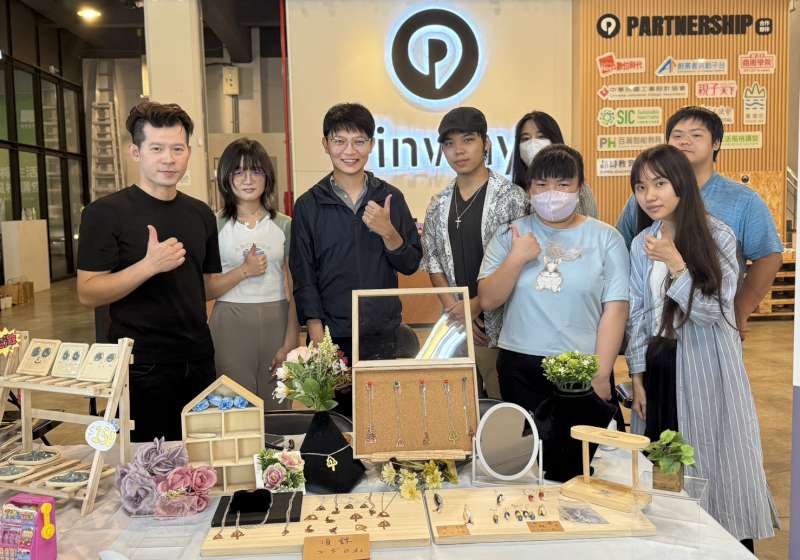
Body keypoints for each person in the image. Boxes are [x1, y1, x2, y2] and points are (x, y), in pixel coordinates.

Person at [626, 144, 777, 552]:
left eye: (659, 183)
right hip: (659, 366)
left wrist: (676, 263)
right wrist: (636, 376)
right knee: (663, 468)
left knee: (715, 465)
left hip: (707, 364)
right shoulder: (642, 242)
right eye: (641, 187)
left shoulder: (718, 235)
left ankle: (726, 549)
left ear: (682, 184)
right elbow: (637, 313)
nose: (650, 195)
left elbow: (712, 311)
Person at [77, 101, 221, 441]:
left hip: (198, 361)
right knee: (143, 463)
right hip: (141, 366)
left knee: (200, 459)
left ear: (188, 153)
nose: (169, 159)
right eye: (157, 148)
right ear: (135, 151)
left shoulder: (201, 213)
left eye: (177, 149)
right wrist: (148, 266)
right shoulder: (104, 213)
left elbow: (204, 286)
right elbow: (87, 292)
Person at [289, 103, 422, 414]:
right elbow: (304, 275)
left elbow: (410, 263)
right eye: (340, 141)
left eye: (359, 141)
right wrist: (318, 339)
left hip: (383, 334)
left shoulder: (390, 198)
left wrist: (389, 232)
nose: (350, 151)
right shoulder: (309, 205)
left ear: (371, 145)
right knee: (337, 425)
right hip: (332, 337)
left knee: (386, 420)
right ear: (325, 144)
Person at [477, 145, 629, 414]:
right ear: (529, 189)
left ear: (580, 187)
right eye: (541, 184)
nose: (552, 193)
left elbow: (616, 310)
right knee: (527, 441)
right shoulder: (509, 233)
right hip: (520, 365)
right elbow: (488, 300)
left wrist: (601, 372)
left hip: (582, 364)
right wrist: (516, 258)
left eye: (563, 184)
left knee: (583, 441)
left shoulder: (607, 238)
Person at [617, 106, 783, 339]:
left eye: (696, 135)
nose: (684, 142)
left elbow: (769, 256)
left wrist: (739, 310)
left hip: (710, 331)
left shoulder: (742, 200)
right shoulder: (644, 200)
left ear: (716, 143)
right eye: (677, 135)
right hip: (656, 334)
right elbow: (624, 251)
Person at [421, 107, 527, 398]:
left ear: (486, 142)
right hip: (457, 326)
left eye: (467, 140)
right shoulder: (439, 203)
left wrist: (478, 305)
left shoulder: (512, 198)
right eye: (449, 143)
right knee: (458, 405)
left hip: (504, 325)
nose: (459, 150)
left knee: (502, 405)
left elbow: (520, 262)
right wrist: (456, 312)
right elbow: (432, 260)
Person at [205, 138, 300, 407]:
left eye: (256, 171)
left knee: (278, 407)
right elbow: (205, 289)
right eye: (238, 172)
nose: (248, 180)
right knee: (234, 409)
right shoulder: (213, 225)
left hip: (277, 319)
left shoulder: (285, 225)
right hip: (229, 323)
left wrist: (291, 339)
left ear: (267, 176)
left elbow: (295, 287)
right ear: (226, 177)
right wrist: (244, 271)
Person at [510, 110, 598, 217]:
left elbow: (590, 224)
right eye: (525, 138)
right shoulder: (512, 193)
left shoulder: (578, 190)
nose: (533, 143)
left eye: (541, 137)